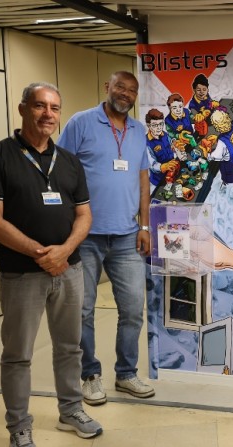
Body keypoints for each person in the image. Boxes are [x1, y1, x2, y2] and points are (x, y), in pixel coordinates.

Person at [0, 82, 102, 447]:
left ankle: (71, 410)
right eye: (40, 106)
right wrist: (43, 254)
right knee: (18, 356)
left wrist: (65, 251)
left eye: (55, 108)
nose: (48, 114)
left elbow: (84, 215)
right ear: (23, 109)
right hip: (21, 275)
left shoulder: (70, 161)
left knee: (70, 348)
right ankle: (19, 427)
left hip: (70, 271)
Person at [58, 70, 155, 406]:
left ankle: (126, 373)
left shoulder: (139, 130)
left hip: (127, 236)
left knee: (133, 309)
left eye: (131, 90)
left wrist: (144, 226)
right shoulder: (81, 123)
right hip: (84, 236)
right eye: (119, 87)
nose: (125, 94)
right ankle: (89, 375)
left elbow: (143, 180)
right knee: (82, 310)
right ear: (107, 87)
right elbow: (60, 172)